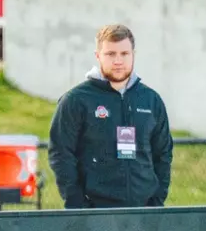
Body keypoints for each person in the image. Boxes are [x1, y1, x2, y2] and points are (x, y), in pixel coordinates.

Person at [47, 24, 173, 209]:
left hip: (146, 214)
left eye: (124, 54)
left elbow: (163, 153)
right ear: (98, 56)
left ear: (133, 55)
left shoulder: (151, 100)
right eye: (110, 54)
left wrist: (156, 200)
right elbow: (60, 153)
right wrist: (78, 205)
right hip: (93, 215)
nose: (118, 61)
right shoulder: (76, 100)